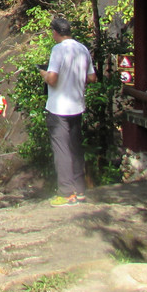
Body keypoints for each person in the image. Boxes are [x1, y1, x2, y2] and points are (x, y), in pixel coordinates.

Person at [39, 15, 96, 207]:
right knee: (75, 148)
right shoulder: (83, 49)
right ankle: (79, 192)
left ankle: (65, 193)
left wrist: (43, 74)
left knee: (62, 150)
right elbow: (92, 77)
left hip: (58, 109)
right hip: (77, 106)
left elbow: (53, 79)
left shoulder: (58, 49)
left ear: (55, 32)